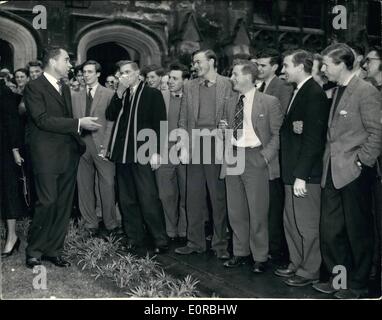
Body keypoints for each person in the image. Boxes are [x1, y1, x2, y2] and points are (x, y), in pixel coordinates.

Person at [313, 43, 382, 299]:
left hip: (354, 173)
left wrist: (362, 162)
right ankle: (339, 279)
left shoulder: (366, 91)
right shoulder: (338, 90)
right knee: (331, 230)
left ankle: (359, 284)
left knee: (358, 231)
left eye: (327, 65)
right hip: (332, 171)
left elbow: (377, 132)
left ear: (342, 64)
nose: (322, 69)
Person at [23, 46, 101, 269]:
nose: (70, 65)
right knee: (47, 202)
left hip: (67, 154)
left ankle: (53, 250)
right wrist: (78, 123)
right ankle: (34, 251)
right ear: (53, 62)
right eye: (66, 60)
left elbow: (62, 119)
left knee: (63, 205)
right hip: (46, 155)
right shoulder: (34, 87)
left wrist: (77, 143)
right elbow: (42, 120)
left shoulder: (64, 88)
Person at [222, 61, 283, 273]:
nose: (232, 78)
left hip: (255, 157)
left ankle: (260, 256)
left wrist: (264, 158)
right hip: (233, 157)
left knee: (257, 210)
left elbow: (277, 134)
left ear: (248, 76)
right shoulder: (230, 102)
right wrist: (225, 133)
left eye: (235, 74)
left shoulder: (269, 102)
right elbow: (229, 130)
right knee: (235, 210)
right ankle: (240, 253)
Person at [276, 50, 330, 287]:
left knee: (306, 224)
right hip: (292, 172)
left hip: (304, 174)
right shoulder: (298, 92)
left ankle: (309, 270)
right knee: (292, 221)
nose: (282, 70)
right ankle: (297, 263)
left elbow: (314, 140)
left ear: (300, 66)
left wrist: (301, 175)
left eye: (286, 65)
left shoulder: (314, 94)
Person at [105, 60, 168, 254]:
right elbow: (110, 114)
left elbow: (161, 124)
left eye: (126, 73)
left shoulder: (152, 94)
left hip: (143, 151)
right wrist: (118, 92)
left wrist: (157, 152)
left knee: (148, 198)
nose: (123, 77)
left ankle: (160, 239)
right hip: (123, 153)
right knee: (127, 199)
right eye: (120, 73)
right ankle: (134, 237)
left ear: (137, 73)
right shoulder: (121, 95)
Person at [175, 49, 232, 259]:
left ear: (212, 61)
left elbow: (236, 113)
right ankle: (195, 242)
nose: (194, 66)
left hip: (217, 145)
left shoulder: (228, 84)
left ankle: (220, 245)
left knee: (218, 198)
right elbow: (182, 119)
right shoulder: (189, 86)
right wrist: (182, 145)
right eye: (193, 63)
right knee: (193, 196)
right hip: (194, 145)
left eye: (198, 62)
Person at [255, 48, 293, 265]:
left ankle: (275, 249)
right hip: (257, 155)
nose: (258, 69)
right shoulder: (260, 86)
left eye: (263, 65)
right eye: (258, 65)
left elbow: (281, 124)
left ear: (275, 67)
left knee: (274, 204)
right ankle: (265, 246)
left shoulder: (282, 87)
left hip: (272, 156)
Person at [71, 60, 119, 236]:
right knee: (83, 185)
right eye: (84, 72)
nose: (86, 75)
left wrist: (107, 147)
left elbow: (112, 123)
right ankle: (90, 223)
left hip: (101, 145)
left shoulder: (108, 94)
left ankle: (111, 224)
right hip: (82, 145)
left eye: (90, 72)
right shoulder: (76, 95)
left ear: (98, 74)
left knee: (107, 184)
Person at [155, 63, 189, 242]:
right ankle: (170, 230)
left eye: (175, 78)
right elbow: (153, 125)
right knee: (165, 193)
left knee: (186, 193)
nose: (170, 82)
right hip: (165, 150)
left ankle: (184, 231)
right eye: (170, 78)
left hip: (185, 150)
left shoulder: (191, 98)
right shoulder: (161, 96)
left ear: (185, 80)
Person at [0, 76, 25, 258]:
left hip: (4, 150)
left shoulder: (5, 92)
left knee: (8, 193)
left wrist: (15, 150)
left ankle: (12, 236)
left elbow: (13, 123)